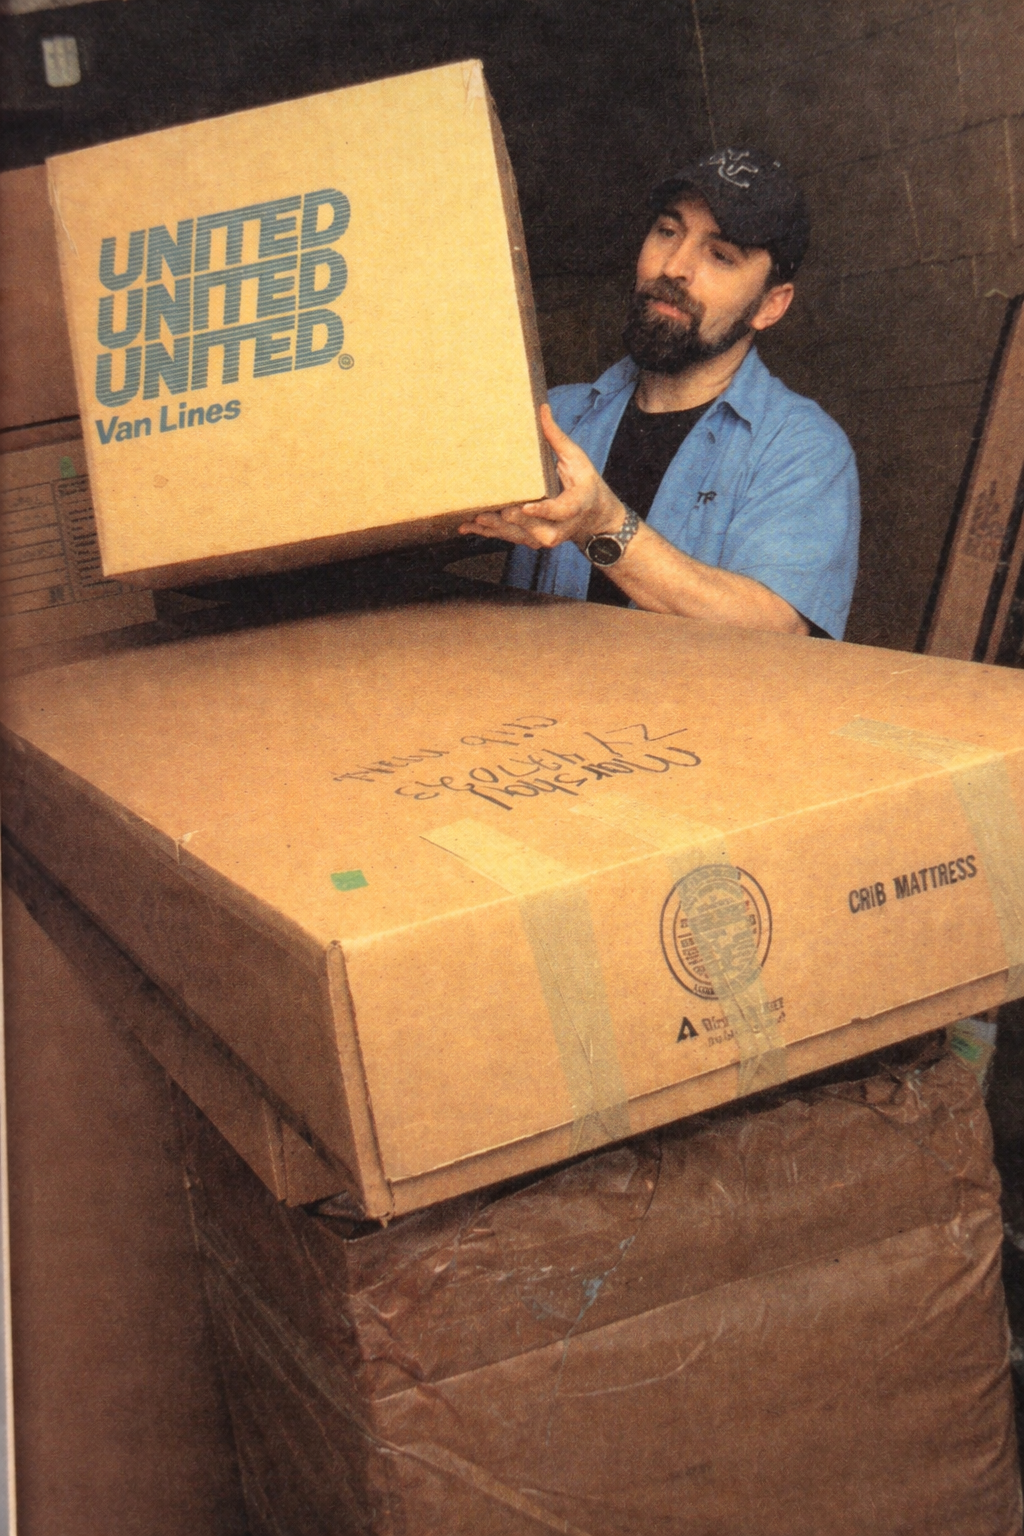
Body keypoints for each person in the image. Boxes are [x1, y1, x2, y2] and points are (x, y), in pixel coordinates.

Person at [460, 148, 859, 639]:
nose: (674, 266)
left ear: (770, 306)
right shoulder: (554, 416)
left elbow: (779, 629)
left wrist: (603, 524)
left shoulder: (801, 447)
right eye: (668, 232)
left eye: (720, 255)